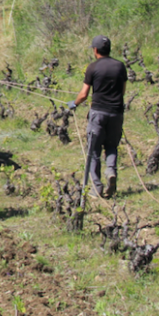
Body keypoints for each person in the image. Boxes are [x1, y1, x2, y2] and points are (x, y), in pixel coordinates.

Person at [68, 35, 126, 199]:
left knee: (93, 151)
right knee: (112, 146)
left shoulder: (93, 68)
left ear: (95, 50)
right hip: (116, 113)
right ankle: (111, 170)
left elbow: (84, 94)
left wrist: (75, 103)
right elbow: (122, 91)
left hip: (98, 114)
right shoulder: (120, 66)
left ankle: (97, 187)